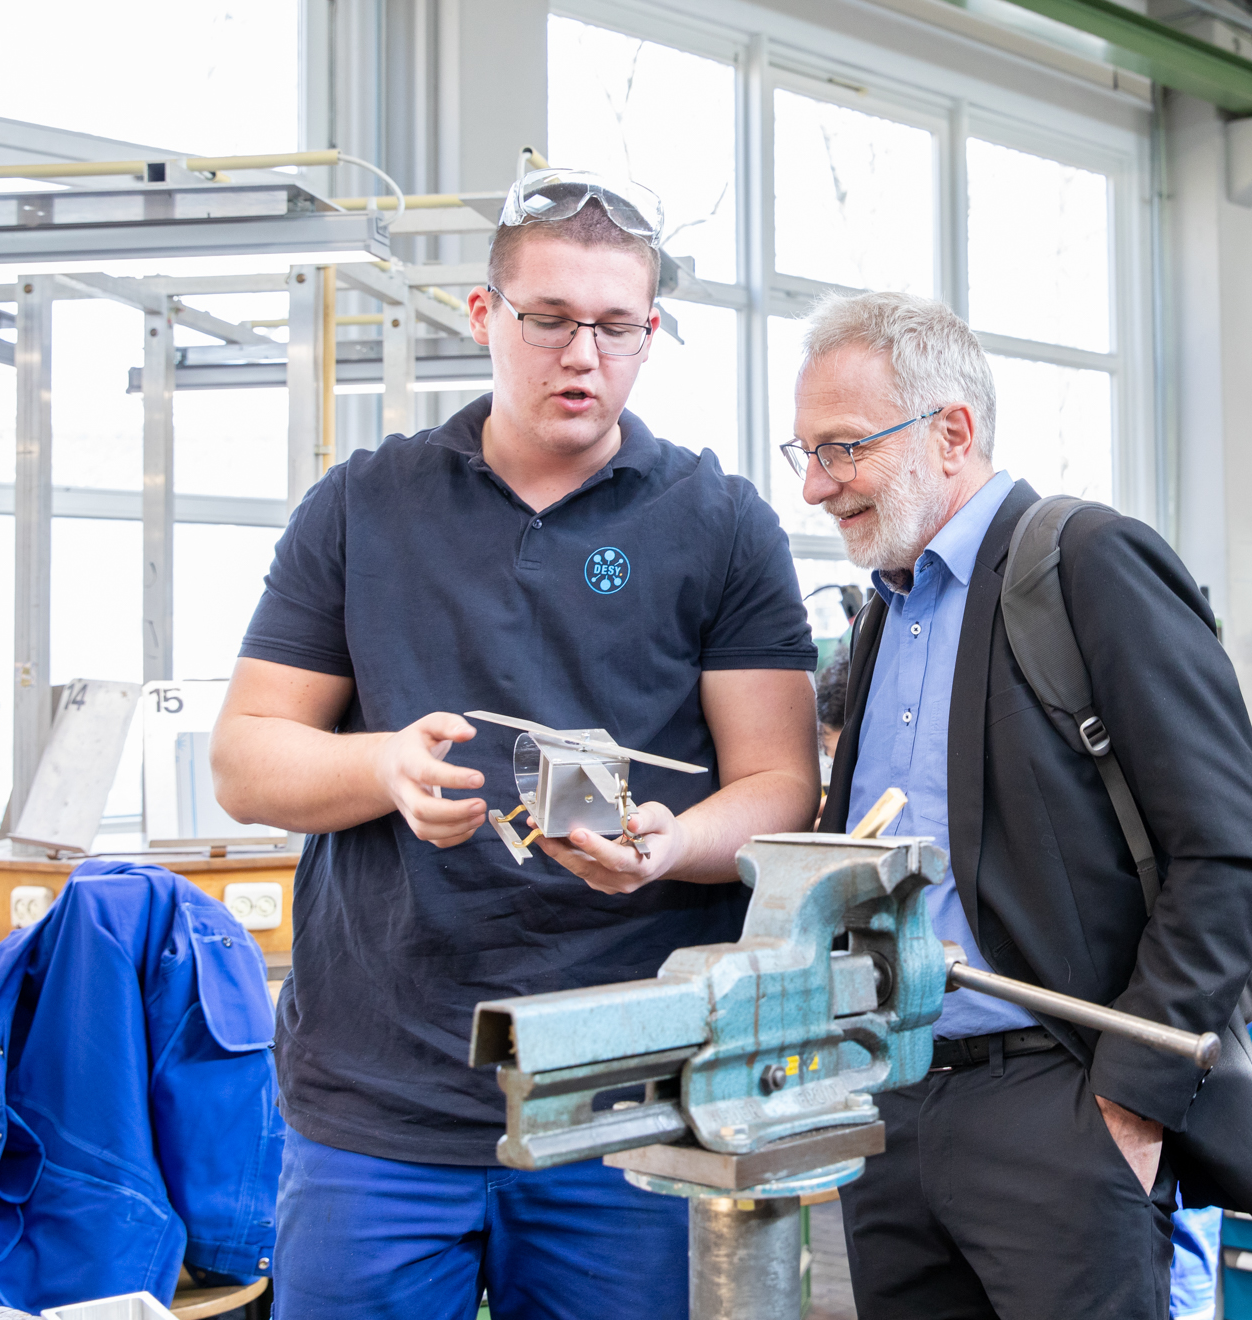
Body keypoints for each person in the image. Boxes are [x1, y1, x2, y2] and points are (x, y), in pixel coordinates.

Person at [210, 169, 821, 1320]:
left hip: (627, 1096)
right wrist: (380, 768)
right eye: (549, 320)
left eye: (616, 327)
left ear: (650, 333)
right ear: (486, 316)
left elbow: (783, 783)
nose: (582, 356)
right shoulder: (363, 505)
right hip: (380, 1101)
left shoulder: (722, 523)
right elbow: (245, 757)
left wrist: (671, 842)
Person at [796, 291, 1252, 1319]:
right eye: (806, 452)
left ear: (952, 432)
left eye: (842, 449)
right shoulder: (886, 611)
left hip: (1056, 1106)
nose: (814, 485)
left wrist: (1129, 1104)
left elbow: (1228, 852)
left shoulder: (1087, 562)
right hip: (896, 1097)